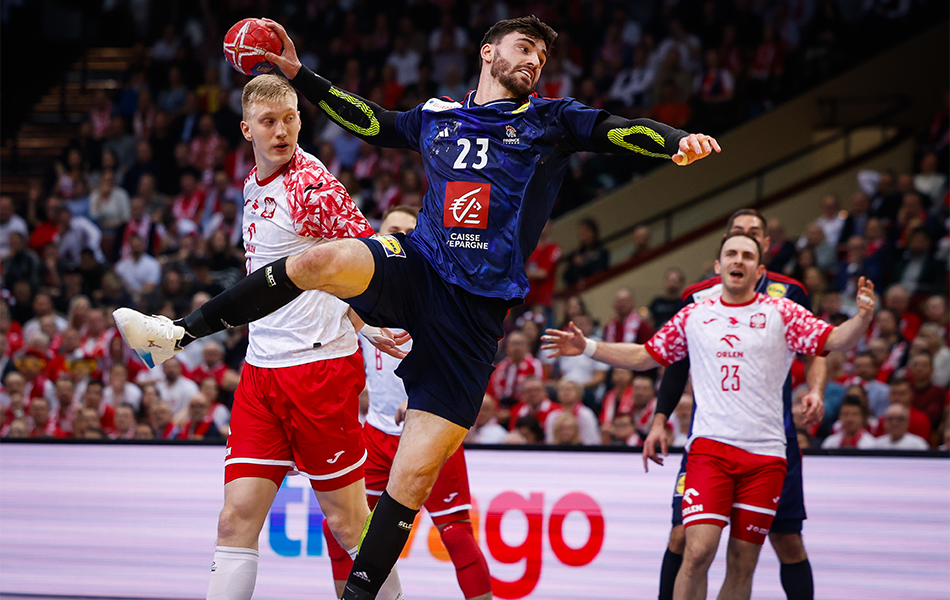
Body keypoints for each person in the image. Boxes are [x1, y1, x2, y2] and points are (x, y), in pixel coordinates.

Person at [114, 16, 719, 600]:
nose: (534, 60)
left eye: (541, 55)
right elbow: (372, 122)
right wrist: (300, 76)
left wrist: (674, 143)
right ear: (488, 53)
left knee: (410, 481)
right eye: (523, 47)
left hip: (474, 316)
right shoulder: (438, 116)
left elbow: (617, 129)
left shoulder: (549, 120)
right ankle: (178, 333)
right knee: (318, 260)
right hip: (419, 266)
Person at [126, 75, 405, 600]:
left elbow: (369, 259)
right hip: (260, 371)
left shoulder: (311, 185)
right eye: (269, 122)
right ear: (246, 129)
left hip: (318, 371)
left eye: (290, 119)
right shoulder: (253, 183)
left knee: (348, 524)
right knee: (234, 521)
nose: (282, 131)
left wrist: (364, 322)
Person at [542, 232, 876, 600]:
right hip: (710, 451)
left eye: (747, 255)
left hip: (766, 457)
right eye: (731, 254)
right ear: (718, 266)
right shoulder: (695, 314)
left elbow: (835, 340)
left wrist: (862, 318)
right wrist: (587, 346)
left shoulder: (782, 312)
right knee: (698, 550)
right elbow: (644, 355)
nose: (738, 260)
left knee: (742, 562)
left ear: (759, 271)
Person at [642, 208, 829, 600]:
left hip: (771, 439)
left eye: (754, 234)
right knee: (683, 537)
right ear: (723, 250)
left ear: (764, 247)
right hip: (710, 439)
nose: (745, 240)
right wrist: (659, 419)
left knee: (786, 540)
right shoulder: (696, 299)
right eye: (737, 234)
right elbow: (675, 361)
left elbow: (818, 347)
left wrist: (815, 389)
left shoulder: (789, 294)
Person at [325, 205, 492, 600]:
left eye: (407, 231)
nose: (398, 237)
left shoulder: (440, 294)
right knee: (343, 531)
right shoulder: (357, 297)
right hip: (377, 435)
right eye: (391, 229)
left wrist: (421, 399)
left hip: (431, 427)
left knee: (455, 533)